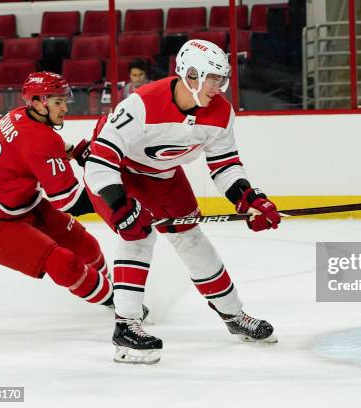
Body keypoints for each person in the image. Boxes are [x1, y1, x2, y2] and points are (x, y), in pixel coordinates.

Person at [84, 39, 281, 364]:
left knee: (191, 237)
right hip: (117, 174)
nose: (218, 87)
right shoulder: (141, 105)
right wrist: (121, 206)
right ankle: (126, 327)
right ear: (190, 75)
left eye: (221, 79)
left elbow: (225, 165)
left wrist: (250, 200)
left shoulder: (220, 113)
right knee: (137, 234)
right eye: (212, 78)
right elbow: (99, 161)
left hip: (164, 176)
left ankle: (234, 316)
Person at [0, 72, 113, 310]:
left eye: (64, 100)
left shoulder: (16, 115)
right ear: (38, 102)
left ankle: (111, 289)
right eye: (57, 102)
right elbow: (71, 202)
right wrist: (116, 197)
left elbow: (35, 145)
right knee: (64, 263)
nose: (64, 108)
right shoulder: (41, 139)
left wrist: (75, 150)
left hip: (26, 205)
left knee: (85, 244)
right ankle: (119, 305)